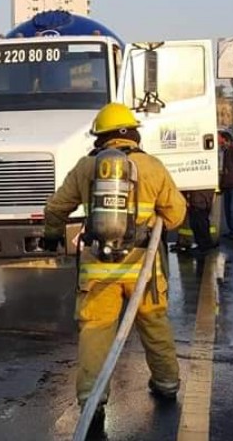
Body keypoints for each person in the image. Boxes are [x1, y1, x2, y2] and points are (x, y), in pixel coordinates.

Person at [43, 103, 187, 435]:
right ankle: (166, 383)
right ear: (132, 133)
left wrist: (52, 234)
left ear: (102, 137)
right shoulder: (151, 166)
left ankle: (92, 401)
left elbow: (56, 208)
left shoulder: (86, 167)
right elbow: (177, 215)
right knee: (154, 323)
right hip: (144, 270)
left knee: (95, 331)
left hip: (99, 271)